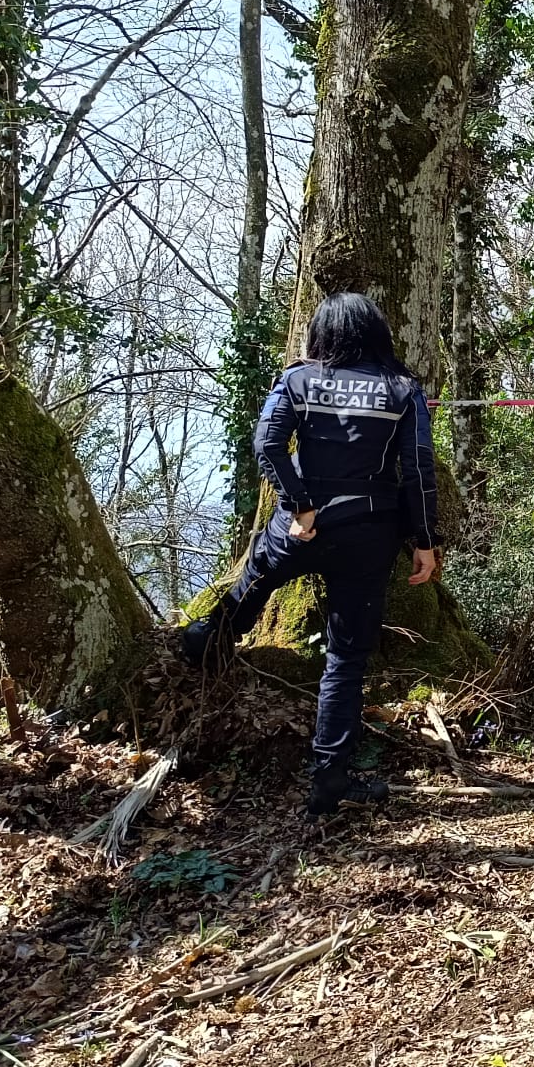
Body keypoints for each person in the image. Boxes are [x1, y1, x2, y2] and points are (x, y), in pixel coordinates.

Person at [180, 292, 441, 813]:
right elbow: (417, 468)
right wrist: (425, 541)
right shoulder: (402, 389)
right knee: (345, 660)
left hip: (301, 527)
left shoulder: (298, 379)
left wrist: (299, 507)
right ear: (376, 334)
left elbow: (267, 444)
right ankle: (329, 778)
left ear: (323, 332)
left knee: (253, 581)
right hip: (369, 533)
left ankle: (206, 643)